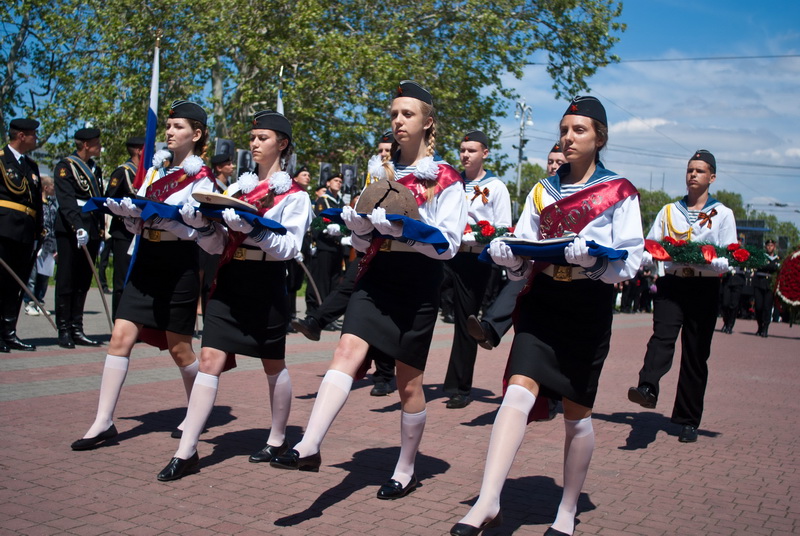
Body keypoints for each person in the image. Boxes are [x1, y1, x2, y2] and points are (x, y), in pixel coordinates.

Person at [450, 96, 643, 536]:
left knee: (577, 413)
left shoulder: (621, 191)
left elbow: (631, 260)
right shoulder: (543, 189)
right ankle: (488, 499)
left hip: (587, 308)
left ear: (600, 138)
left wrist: (593, 263)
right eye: (565, 129)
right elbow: (525, 248)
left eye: (580, 130)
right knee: (516, 394)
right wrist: (507, 253)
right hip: (543, 301)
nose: (569, 137)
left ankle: (567, 510)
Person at [271, 81, 467, 501]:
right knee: (345, 351)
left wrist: (402, 229)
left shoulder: (448, 177)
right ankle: (309, 444)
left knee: (408, 384)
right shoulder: (380, 173)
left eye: (407, 114)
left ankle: (407, 467)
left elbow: (447, 245)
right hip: (376, 275)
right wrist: (360, 226)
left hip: (418, 282)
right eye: (394, 113)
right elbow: (363, 244)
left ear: (428, 122)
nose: (398, 121)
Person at [156, 110, 313, 481]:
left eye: (263, 138)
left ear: (283, 143)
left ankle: (277, 438)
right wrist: (198, 226)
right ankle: (187, 449)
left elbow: (290, 247)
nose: (255, 144)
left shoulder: (296, 196)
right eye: (253, 137)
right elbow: (217, 243)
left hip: (267, 280)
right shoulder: (236, 190)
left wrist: (255, 232)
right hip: (230, 278)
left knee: (272, 362)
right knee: (209, 358)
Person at [70, 100, 215, 451]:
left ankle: (199, 410)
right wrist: (128, 214)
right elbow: (140, 217)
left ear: (196, 134)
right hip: (147, 258)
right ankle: (103, 422)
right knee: (120, 336)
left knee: (180, 350)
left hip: (178, 263)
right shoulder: (153, 172)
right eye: (168, 126)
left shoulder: (204, 179)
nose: (169, 131)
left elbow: (202, 229)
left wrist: (167, 219)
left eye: (178, 127)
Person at [628, 149, 737, 444]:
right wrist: (649, 259)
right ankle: (647, 387)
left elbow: (732, 254)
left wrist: (717, 262)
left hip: (704, 287)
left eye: (700, 171)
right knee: (661, 337)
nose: (693, 175)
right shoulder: (669, 211)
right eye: (690, 170)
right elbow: (652, 243)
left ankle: (688, 419)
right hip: (673, 284)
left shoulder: (723, 214)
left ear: (712, 177)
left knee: (695, 353)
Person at [292, 130, 397, 396]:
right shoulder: (372, 176)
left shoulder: (404, 176)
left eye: (388, 150)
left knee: (384, 312)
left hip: (395, 252)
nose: (383, 154)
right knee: (346, 286)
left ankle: (386, 374)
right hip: (368, 249)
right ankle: (316, 321)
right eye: (381, 150)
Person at [467, 142, 566, 350]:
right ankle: (489, 329)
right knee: (519, 279)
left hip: (572, 260)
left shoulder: (582, 191)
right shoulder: (541, 191)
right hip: (539, 258)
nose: (553, 166)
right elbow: (524, 231)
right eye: (550, 162)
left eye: (559, 162)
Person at [443, 130, 511, 409]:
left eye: (471, 150)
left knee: (465, 320)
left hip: (475, 259)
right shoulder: (450, 182)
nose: (465, 155)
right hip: (445, 254)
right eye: (462, 150)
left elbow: (504, 228)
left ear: (485, 153)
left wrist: (480, 236)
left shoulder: (496, 187)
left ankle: (460, 386)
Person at [53, 127, 105, 349]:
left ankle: (77, 328)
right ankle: (63, 329)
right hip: (71, 228)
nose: (100, 147)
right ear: (86, 145)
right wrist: (77, 226)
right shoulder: (66, 167)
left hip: (91, 228)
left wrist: (99, 230)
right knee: (67, 279)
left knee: (83, 280)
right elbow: (66, 200)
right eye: (97, 143)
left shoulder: (96, 169)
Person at [0, 118, 43, 352]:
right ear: (21, 136)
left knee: (16, 285)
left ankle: (9, 332)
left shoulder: (31, 166)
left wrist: (39, 230)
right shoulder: (1, 160)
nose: (35, 139)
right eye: (33, 135)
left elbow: (36, 202)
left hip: (25, 233)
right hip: (4, 229)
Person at [104, 136, 144, 319]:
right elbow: (108, 201)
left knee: (137, 280)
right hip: (123, 233)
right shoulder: (123, 172)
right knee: (122, 281)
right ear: (139, 151)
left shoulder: (145, 174)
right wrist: (125, 214)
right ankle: (119, 321)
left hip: (140, 233)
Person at [304, 174, 344, 318]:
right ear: (328, 183)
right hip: (324, 245)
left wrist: (343, 232)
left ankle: (327, 314)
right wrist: (327, 230)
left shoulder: (339, 202)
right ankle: (317, 312)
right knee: (322, 280)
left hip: (337, 245)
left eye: (340, 181)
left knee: (334, 281)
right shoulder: (323, 200)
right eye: (335, 181)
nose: (338, 183)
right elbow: (316, 222)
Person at [23, 175, 57, 317]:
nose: (54, 189)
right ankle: (29, 302)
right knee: (33, 274)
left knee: (44, 275)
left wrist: (56, 247)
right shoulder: (37, 203)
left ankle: (39, 302)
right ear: (46, 187)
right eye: (52, 186)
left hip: (50, 243)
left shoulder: (52, 204)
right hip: (38, 242)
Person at [753, 239, 780, 337]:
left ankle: (765, 329)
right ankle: (760, 326)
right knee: (759, 307)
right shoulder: (761, 257)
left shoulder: (777, 258)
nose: (769, 247)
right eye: (768, 245)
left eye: (771, 246)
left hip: (769, 285)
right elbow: (760, 266)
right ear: (765, 247)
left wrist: (768, 266)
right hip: (759, 283)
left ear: (774, 247)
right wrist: (770, 266)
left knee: (767, 308)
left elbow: (776, 268)